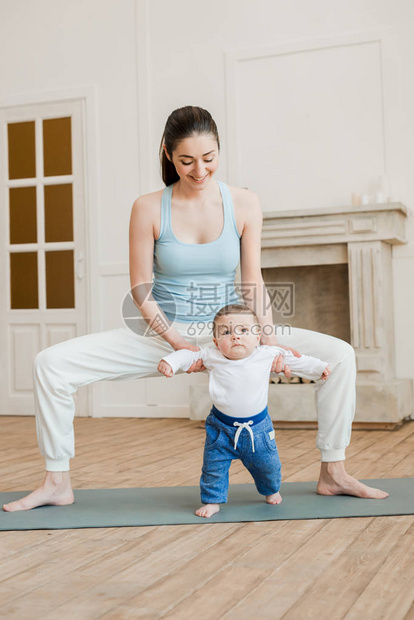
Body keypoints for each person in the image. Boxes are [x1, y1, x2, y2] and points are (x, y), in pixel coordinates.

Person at [3, 105, 388, 512]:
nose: (199, 170)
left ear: (219, 152)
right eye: (187, 160)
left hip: (232, 332)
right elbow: (140, 288)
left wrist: (269, 343)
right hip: (165, 331)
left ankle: (333, 472)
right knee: (51, 363)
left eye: (209, 159)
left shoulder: (244, 202)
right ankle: (57, 481)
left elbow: (252, 279)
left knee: (340, 356)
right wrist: (177, 343)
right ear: (168, 154)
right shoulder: (149, 207)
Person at [158, 304, 330, 518]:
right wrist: (170, 363)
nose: (235, 337)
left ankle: (271, 489)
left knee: (268, 466)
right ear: (215, 342)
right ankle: (212, 501)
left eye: (243, 331)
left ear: (258, 337)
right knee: (213, 468)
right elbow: (187, 356)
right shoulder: (211, 355)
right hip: (220, 429)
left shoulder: (267, 354)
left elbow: (296, 360)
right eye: (226, 332)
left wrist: (319, 368)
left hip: (258, 429)